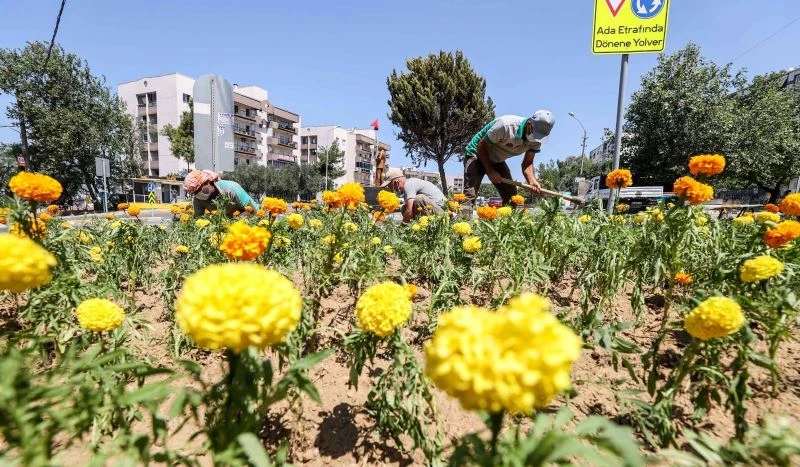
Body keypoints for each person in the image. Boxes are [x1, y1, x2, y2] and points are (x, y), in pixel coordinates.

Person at [463, 110, 555, 207]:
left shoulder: (537, 140)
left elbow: (527, 163)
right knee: (469, 195)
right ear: (529, 123)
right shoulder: (505, 126)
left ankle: (505, 221)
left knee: (511, 197)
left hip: (497, 159)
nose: (536, 138)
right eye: (534, 133)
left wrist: (532, 181)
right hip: (476, 154)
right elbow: (481, 146)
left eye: (539, 136)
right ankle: (461, 218)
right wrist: (490, 171)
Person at [380, 167, 446, 223]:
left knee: (418, 199)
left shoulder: (408, 185)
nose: (389, 188)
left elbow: (409, 212)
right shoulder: (409, 183)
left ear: (396, 183)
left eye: (389, 185)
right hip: (436, 211)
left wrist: (402, 228)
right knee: (404, 208)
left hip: (443, 214)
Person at [183, 169, 258, 218]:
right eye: (195, 193)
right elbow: (198, 220)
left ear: (207, 182)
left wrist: (234, 223)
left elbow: (252, 210)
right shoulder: (198, 200)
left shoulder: (231, 189)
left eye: (199, 190)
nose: (198, 194)